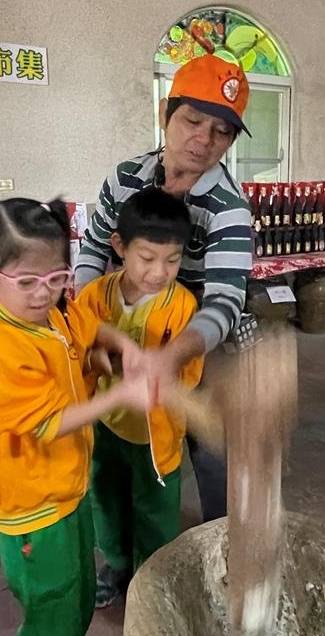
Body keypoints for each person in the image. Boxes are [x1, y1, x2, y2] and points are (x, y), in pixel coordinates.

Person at [0, 198, 152, 636]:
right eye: (28, 282)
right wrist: (119, 395)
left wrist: (124, 349)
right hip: (31, 506)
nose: (44, 293)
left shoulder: (55, 313)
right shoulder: (2, 351)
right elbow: (48, 424)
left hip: (67, 487)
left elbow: (89, 328)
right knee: (49, 611)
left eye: (56, 278)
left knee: (77, 597)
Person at [74, 54, 253, 524]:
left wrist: (173, 355)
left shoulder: (228, 208)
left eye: (221, 131)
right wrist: (93, 323)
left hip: (198, 341)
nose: (204, 140)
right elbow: (93, 247)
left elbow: (225, 300)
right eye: (192, 120)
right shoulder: (125, 179)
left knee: (212, 451)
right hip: (125, 326)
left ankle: (220, 543)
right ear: (164, 113)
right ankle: (125, 545)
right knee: (121, 438)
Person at [76, 188, 202, 608]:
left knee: (156, 509)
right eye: (147, 258)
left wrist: (164, 377)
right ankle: (116, 564)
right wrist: (101, 360)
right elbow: (77, 350)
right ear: (119, 246)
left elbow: (189, 372)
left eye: (172, 260)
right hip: (106, 424)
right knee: (106, 498)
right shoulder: (94, 297)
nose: (159, 272)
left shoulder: (182, 306)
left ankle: (152, 577)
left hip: (156, 435)